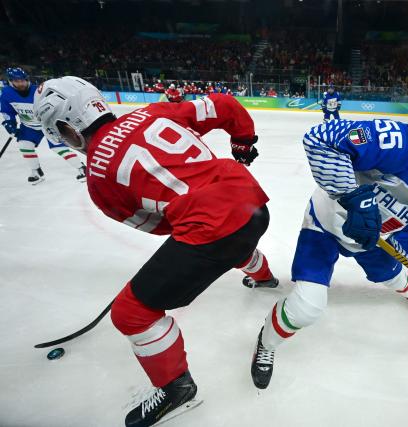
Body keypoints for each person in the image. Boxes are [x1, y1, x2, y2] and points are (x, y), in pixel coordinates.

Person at [34, 76, 278, 426]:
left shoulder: (98, 176)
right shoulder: (152, 111)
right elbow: (225, 105)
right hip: (253, 204)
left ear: (67, 127)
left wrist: (188, 222)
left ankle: (176, 389)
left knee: (132, 312)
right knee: (232, 244)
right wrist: (242, 142)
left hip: (212, 229)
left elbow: (152, 224)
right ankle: (265, 276)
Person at [250, 94, 408, 390]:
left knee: (396, 277)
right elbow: (320, 138)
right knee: (307, 306)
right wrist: (354, 196)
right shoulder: (395, 139)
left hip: (369, 239)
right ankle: (266, 342)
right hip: (324, 226)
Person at [1, 67, 86, 184]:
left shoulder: (39, 91)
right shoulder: (6, 93)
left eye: (22, 80)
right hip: (29, 126)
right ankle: (36, 172)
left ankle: (82, 168)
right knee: (24, 145)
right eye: (17, 81)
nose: (20, 83)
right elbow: (7, 111)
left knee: (58, 147)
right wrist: (9, 123)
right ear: (10, 82)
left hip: (48, 123)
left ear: (27, 79)